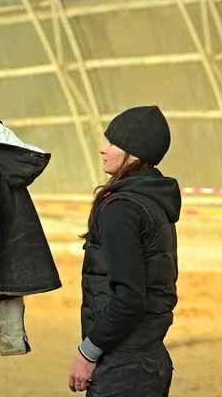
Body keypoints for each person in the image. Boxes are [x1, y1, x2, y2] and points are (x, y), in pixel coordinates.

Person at [68, 105, 181, 396]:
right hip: (149, 359)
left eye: (114, 143)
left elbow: (129, 297)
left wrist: (87, 352)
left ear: (137, 153)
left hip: (123, 367)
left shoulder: (124, 209)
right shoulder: (153, 202)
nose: (103, 149)